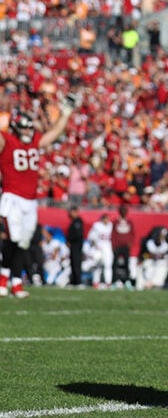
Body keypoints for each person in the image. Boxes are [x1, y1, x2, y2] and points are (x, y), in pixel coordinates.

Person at [0, 98, 76, 299]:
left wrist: (66, 114)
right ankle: (5, 279)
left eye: (29, 128)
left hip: (30, 200)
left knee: (24, 242)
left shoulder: (34, 142)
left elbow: (54, 134)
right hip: (12, 197)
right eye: (24, 129)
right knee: (14, 238)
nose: (27, 132)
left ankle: (14, 281)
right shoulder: (7, 140)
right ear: (16, 128)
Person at [110, 204, 137, 289]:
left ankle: (127, 282)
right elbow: (113, 234)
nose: (123, 213)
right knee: (114, 264)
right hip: (117, 246)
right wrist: (113, 245)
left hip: (126, 246)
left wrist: (130, 243)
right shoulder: (115, 222)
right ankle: (114, 281)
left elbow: (132, 234)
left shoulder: (129, 222)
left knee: (126, 264)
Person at [66, 206, 85, 287]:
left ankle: (78, 281)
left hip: (76, 245)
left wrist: (70, 241)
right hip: (73, 246)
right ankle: (74, 281)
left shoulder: (78, 221)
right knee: (73, 263)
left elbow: (78, 234)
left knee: (76, 263)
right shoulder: (74, 221)